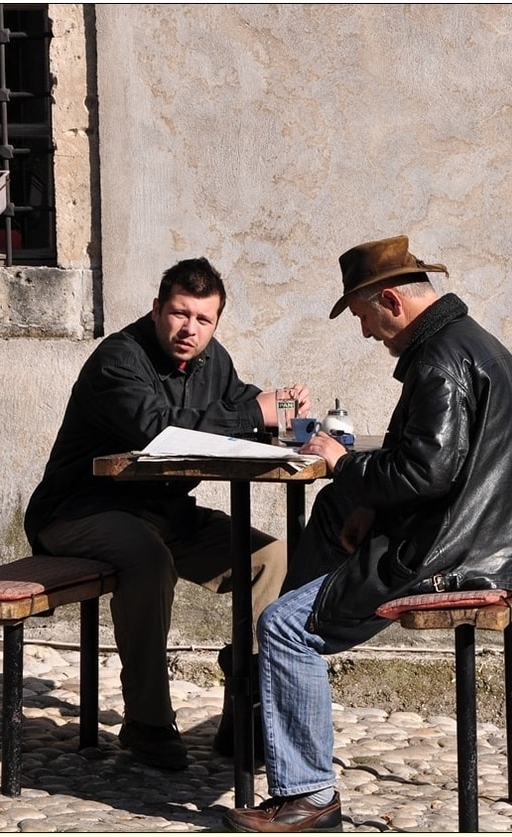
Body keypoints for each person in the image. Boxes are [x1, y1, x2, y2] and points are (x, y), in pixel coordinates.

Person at [222, 235, 512, 833]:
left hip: (457, 554)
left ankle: (310, 795)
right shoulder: (470, 344)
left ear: (392, 302)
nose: (368, 334)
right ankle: (273, 694)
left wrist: (342, 463)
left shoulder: (439, 362)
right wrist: (364, 499)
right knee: (332, 515)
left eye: (365, 318)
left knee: (284, 627)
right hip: (489, 538)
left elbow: (428, 469)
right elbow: (445, 469)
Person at [24, 256, 310, 771]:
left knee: (271, 558)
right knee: (148, 561)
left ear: (216, 323)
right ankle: (147, 722)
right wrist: (252, 412)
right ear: (157, 308)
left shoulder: (212, 360)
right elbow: (159, 431)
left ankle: (245, 705)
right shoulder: (118, 359)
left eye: (203, 320)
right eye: (180, 313)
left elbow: (241, 403)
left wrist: (284, 410)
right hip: (80, 511)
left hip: (164, 513)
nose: (189, 329)